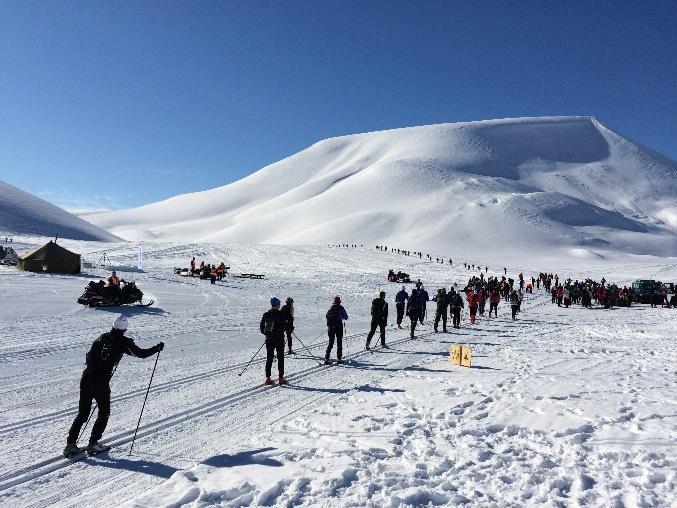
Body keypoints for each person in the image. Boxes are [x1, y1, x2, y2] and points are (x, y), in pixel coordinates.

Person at [64, 316, 164, 457]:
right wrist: (157, 348)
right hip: (100, 381)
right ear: (125, 328)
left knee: (83, 413)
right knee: (104, 412)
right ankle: (93, 444)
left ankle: (70, 445)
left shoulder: (102, 338)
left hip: (86, 377)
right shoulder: (122, 342)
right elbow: (141, 354)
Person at [260, 297, 287, 385]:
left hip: (269, 339)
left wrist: (266, 334)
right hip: (279, 339)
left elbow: (262, 327)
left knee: (269, 358)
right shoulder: (281, 314)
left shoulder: (266, 314)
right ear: (278, 305)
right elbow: (285, 326)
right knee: (280, 358)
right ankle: (280, 378)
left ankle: (268, 378)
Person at [325, 296, 348, 364]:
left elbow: (327, 316)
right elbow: (346, 317)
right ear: (339, 302)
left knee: (330, 343)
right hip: (339, 327)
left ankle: (327, 358)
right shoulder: (341, 308)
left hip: (331, 328)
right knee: (339, 342)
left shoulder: (331, 308)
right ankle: (339, 358)